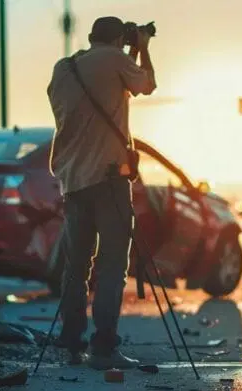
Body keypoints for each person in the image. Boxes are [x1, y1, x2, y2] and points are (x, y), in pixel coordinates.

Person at [46, 16, 156, 369]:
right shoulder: (114, 59)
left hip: (72, 181)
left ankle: (71, 343)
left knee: (75, 267)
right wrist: (144, 49)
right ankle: (104, 348)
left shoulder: (64, 68)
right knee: (112, 265)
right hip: (108, 180)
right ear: (119, 39)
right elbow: (148, 84)